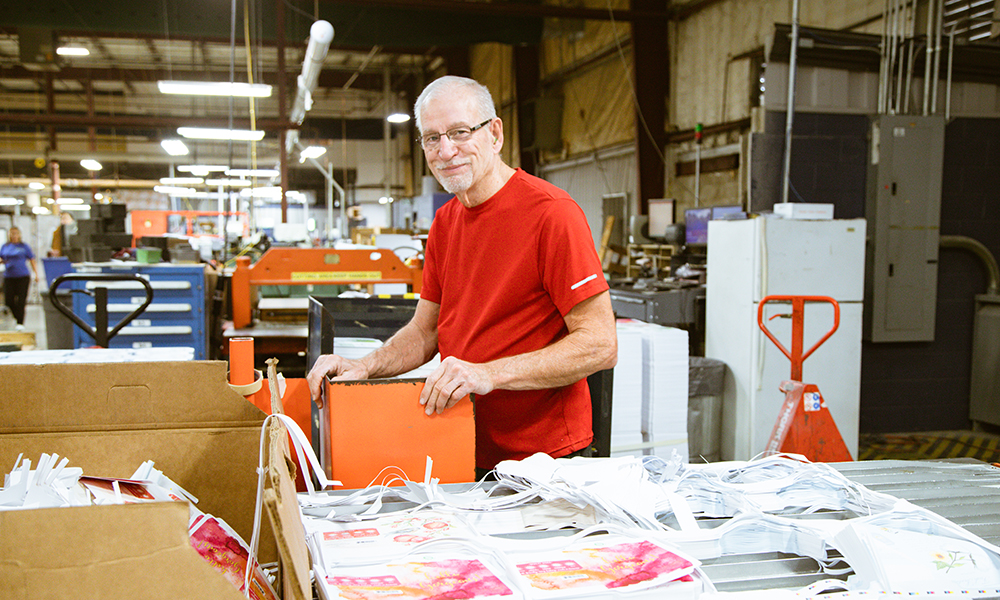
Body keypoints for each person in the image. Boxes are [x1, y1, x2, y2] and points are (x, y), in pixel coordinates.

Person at [308, 76, 618, 477]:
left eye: (459, 132)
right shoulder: (445, 221)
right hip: (463, 443)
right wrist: (365, 365)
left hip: (543, 458)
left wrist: (486, 373)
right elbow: (424, 332)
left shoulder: (551, 214)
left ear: (495, 133)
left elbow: (600, 344)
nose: (446, 151)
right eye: (432, 138)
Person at [1, 226, 38, 330]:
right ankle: (16, 317)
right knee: (9, 301)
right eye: (12, 233)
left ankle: (20, 323)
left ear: (19, 234)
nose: (14, 236)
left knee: (21, 301)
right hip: (9, 276)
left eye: (16, 233)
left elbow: (32, 260)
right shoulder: (5, 246)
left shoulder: (24, 247)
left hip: (22, 276)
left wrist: (36, 274)